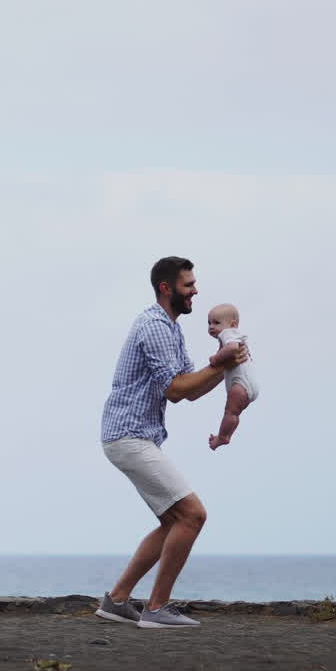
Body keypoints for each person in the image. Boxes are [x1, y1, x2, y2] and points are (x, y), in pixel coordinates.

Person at [96, 256, 247, 629]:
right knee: (193, 515)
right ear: (167, 288)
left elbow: (189, 390)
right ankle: (157, 609)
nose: (196, 290)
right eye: (188, 284)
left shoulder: (171, 328)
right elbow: (176, 390)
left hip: (133, 436)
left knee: (172, 521)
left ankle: (116, 601)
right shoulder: (155, 327)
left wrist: (227, 365)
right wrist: (221, 364)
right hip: (129, 437)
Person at [205, 303, 258, 451]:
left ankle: (222, 437)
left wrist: (216, 359)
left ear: (233, 324)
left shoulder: (228, 334)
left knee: (230, 412)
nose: (211, 326)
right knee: (233, 413)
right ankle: (226, 436)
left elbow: (233, 348)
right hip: (247, 385)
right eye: (209, 323)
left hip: (241, 384)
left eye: (216, 322)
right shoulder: (227, 338)